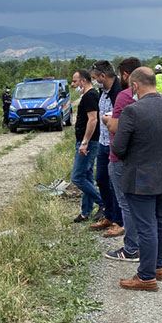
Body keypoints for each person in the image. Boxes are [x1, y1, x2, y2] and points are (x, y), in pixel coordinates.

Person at [113, 67, 162, 291]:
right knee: (160, 221)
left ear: (134, 86)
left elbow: (119, 148)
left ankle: (146, 277)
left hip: (140, 179)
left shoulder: (132, 111)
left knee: (146, 227)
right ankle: (157, 267)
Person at [103, 57, 141, 262]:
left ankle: (131, 248)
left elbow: (115, 128)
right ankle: (143, 245)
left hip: (119, 157)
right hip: (140, 158)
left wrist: (108, 119)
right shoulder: (153, 98)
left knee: (125, 203)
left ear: (126, 75)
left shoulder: (124, 96)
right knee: (140, 203)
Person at [90, 60, 123, 237]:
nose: (94, 80)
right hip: (102, 142)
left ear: (103, 76)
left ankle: (119, 221)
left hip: (114, 144)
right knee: (101, 179)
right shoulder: (102, 93)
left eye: (95, 77)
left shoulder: (119, 93)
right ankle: (108, 215)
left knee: (114, 184)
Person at [70, 69, 104, 223]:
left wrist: (84, 142)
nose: (73, 84)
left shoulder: (90, 96)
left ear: (83, 81)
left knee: (77, 177)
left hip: (88, 142)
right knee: (87, 176)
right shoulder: (88, 96)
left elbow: (93, 120)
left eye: (75, 81)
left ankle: (103, 203)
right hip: (86, 141)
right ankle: (86, 212)